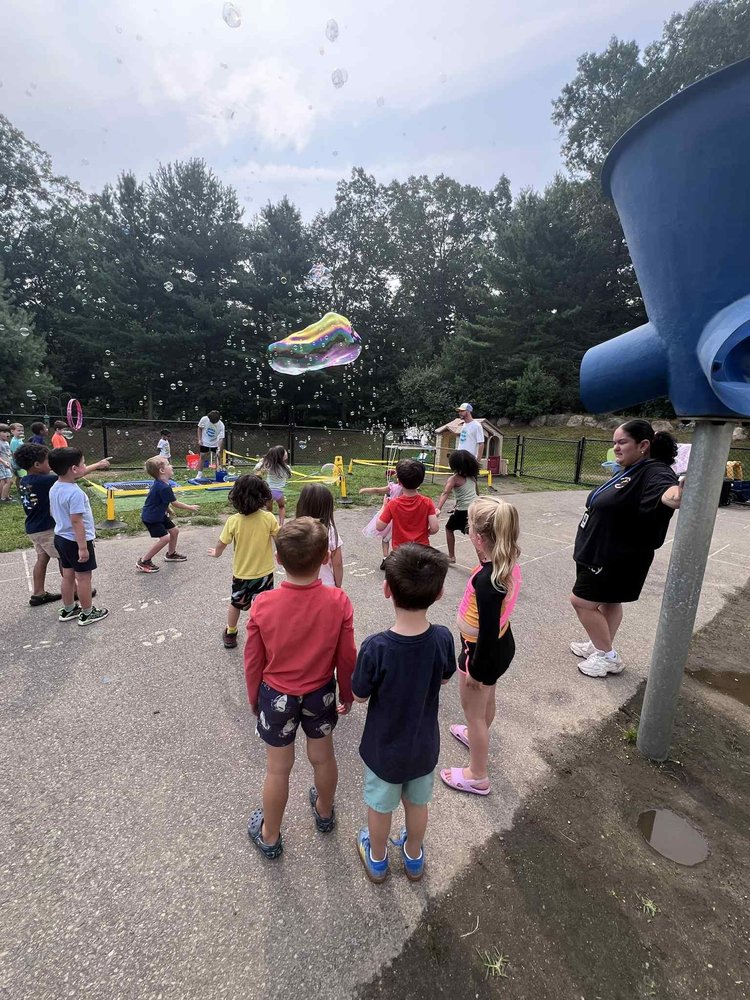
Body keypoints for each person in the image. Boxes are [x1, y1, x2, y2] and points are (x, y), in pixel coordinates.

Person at [243, 517, 357, 860]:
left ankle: (271, 834)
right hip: (320, 692)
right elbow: (347, 656)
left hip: (276, 694)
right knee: (323, 758)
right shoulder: (338, 601)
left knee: (278, 769)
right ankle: (324, 811)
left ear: (278, 559)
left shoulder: (263, 605)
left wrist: (254, 699)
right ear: (325, 557)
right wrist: (347, 694)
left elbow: (253, 661)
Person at [352, 544, 455, 883]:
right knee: (417, 804)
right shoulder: (442, 638)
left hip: (385, 749)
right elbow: (443, 675)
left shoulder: (376, 648)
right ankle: (413, 857)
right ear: (439, 593)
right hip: (423, 745)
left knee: (381, 807)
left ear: (386, 590)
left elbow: (359, 694)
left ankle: (378, 859)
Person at [569, 419, 682, 679]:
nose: (616, 448)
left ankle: (608, 656)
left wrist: (678, 495)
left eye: (622, 442)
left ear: (643, 445)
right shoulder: (632, 468)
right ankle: (600, 644)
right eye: (614, 443)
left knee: (581, 601)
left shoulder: (655, 471)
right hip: (601, 550)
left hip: (615, 556)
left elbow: (668, 492)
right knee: (610, 600)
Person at [441, 496, 522, 797]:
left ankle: (477, 775)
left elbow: (486, 632)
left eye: (470, 526)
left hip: (480, 652)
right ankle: (479, 733)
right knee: (486, 702)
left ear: (477, 537)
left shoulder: (489, 582)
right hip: (501, 644)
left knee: (473, 710)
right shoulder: (505, 559)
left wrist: (474, 669)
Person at [15, 443, 110, 607]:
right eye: (47, 461)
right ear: (37, 465)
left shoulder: (24, 480)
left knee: (42, 559)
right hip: (47, 529)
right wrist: (98, 465)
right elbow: (73, 474)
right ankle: (74, 592)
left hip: (33, 528)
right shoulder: (47, 481)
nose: (51, 465)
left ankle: (38, 593)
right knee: (64, 561)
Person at [208, 474, 280, 648]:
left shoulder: (233, 521)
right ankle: (264, 632)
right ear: (263, 496)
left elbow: (222, 542)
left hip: (241, 573)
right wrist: (282, 555)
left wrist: (216, 553)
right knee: (264, 604)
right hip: (265, 573)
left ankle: (231, 631)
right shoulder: (268, 518)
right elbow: (279, 539)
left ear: (236, 497)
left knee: (236, 603)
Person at [48, 447, 109, 626]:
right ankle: (87, 613)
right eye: (83, 464)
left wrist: (97, 465)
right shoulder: (75, 493)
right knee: (83, 578)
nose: (84, 467)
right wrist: (83, 547)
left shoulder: (55, 486)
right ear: (74, 469)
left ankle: (68, 609)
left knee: (68, 575)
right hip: (76, 541)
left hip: (60, 538)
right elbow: (77, 522)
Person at [136, 456, 200, 573]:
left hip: (160, 514)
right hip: (152, 518)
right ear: (162, 470)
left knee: (174, 531)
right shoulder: (164, 487)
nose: (172, 466)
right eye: (168, 464)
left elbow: (162, 500)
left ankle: (171, 554)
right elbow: (175, 503)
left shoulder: (162, 483)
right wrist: (190, 507)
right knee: (165, 538)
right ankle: (144, 561)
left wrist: (168, 509)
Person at [375, 459, 439, 554]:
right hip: (422, 551)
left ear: (399, 481)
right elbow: (434, 528)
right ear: (421, 481)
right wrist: (428, 532)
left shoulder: (393, 504)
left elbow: (379, 526)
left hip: (401, 553)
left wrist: (384, 506)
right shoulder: (427, 502)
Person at [435, 449, 480, 563]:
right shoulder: (472, 477)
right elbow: (477, 493)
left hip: (464, 511)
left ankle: (451, 557)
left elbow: (445, 493)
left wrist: (438, 508)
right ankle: (484, 561)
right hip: (475, 508)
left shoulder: (454, 479)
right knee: (475, 534)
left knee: (449, 528)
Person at [295, 484, 343, 587]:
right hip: (326, 586)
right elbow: (337, 563)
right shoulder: (329, 530)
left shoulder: (294, 529)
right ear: (327, 508)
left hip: (299, 585)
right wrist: (338, 586)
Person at [360, 476, 404, 570]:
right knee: (400, 540)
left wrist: (364, 490)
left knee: (385, 539)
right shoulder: (409, 490)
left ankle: (385, 558)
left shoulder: (392, 487)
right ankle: (399, 560)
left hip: (390, 517)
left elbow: (377, 490)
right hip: (403, 518)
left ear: (399, 478)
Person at [254, 446, 291, 524]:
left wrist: (261, 461)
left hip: (268, 491)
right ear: (282, 456)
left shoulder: (268, 465)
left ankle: (270, 524)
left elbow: (256, 468)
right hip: (279, 492)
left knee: (269, 510)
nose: (286, 453)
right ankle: (281, 524)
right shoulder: (286, 468)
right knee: (281, 507)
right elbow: (289, 476)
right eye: (285, 452)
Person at [195, 409, 225, 479]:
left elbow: (221, 438)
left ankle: (219, 473)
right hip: (205, 441)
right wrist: (199, 439)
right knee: (202, 456)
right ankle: (199, 474)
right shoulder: (204, 419)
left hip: (216, 442)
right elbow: (199, 428)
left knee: (218, 457)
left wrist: (218, 448)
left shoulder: (221, 425)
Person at [9, 423, 25, 492]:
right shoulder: (14, 441)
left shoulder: (19, 440)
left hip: (21, 461)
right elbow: (15, 453)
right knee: (21, 476)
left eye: (22, 431)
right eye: (19, 430)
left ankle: (20, 488)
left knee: (20, 476)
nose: (21, 432)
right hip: (18, 462)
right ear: (12, 431)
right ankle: (21, 489)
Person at [0, 424, 12, 502]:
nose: (7, 434)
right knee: (8, 481)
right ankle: (4, 497)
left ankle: (4, 495)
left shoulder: (6, 443)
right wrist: (3, 462)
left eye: (8, 432)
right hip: (2, 464)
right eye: (4, 432)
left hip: (7, 464)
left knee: (4, 481)